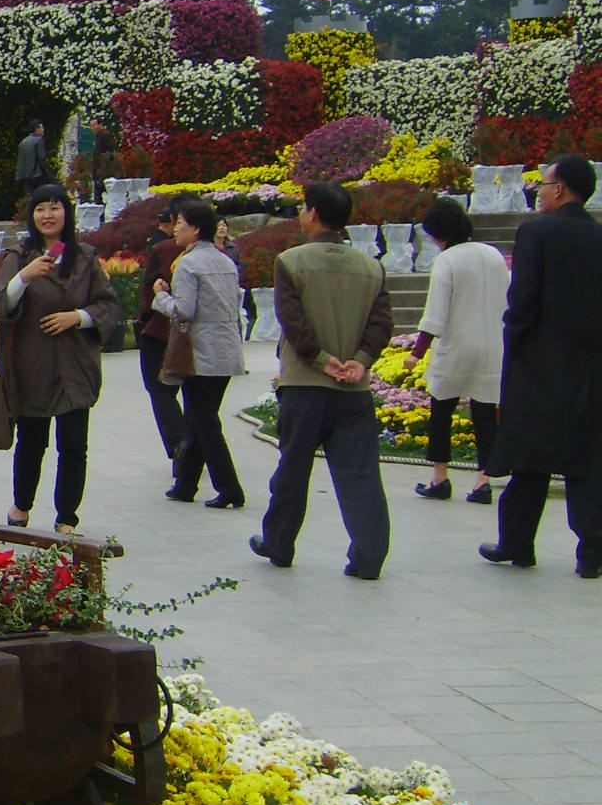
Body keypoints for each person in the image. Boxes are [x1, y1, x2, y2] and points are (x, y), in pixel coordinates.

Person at [250, 181, 394, 579]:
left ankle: (278, 544)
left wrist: (322, 361)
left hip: (305, 385)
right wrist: (359, 362)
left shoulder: (291, 261)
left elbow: (292, 322)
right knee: (360, 473)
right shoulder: (372, 267)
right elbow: (382, 324)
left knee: (294, 468)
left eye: (301, 209)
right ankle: (369, 555)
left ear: (312, 213)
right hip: (355, 390)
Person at [481, 155, 602, 577]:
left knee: (530, 459)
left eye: (544, 184)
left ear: (562, 190)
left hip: (538, 364)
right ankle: (592, 554)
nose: (539, 192)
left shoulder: (536, 232)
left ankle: (516, 545)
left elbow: (524, 300)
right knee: (587, 463)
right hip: (589, 368)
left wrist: (512, 338)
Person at [0, 183, 118, 533]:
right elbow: (0, 303)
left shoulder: (85, 257)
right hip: (33, 365)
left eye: (55, 207)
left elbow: (108, 305)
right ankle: (21, 505)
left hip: (75, 365)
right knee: (32, 442)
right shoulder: (20, 255)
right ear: (31, 216)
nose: (47, 215)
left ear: (66, 213)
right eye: (40, 209)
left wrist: (78, 317)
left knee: (74, 446)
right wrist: (23, 278)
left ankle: (67, 517)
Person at [409, 196, 507, 504]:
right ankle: (483, 482)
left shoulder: (447, 261)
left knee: (441, 411)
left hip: (456, 347)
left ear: (439, 233)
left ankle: (440, 478)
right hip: (493, 346)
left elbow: (435, 313)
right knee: (485, 414)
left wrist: (417, 352)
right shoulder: (493, 254)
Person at [152, 198, 247, 508]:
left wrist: (161, 297)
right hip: (227, 350)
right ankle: (186, 484)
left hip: (200, 354)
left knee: (205, 422)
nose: (175, 227)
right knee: (198, 417)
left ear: (194, 228)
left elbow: (183, 311)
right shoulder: (225, 261)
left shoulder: (188, 263)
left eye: (179, 222)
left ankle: (230, 488)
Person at [134, 198, 193, 470]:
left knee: (160, 390)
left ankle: (181, 443)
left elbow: (148, 290)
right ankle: (193, 446)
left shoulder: (164, 249)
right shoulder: (221, 254)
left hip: (160, 328)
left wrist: (145, 315)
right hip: (198, 334)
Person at [13, 119, 52, 218]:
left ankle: (29, 217)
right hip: (37, 174)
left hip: (25, 175)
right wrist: (49, 174)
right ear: (36, 129)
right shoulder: (39, 141)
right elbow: (41, 159)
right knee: (41, 199)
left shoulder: (23, 142)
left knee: (30, 198)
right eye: (41, 127)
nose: (43, 129)